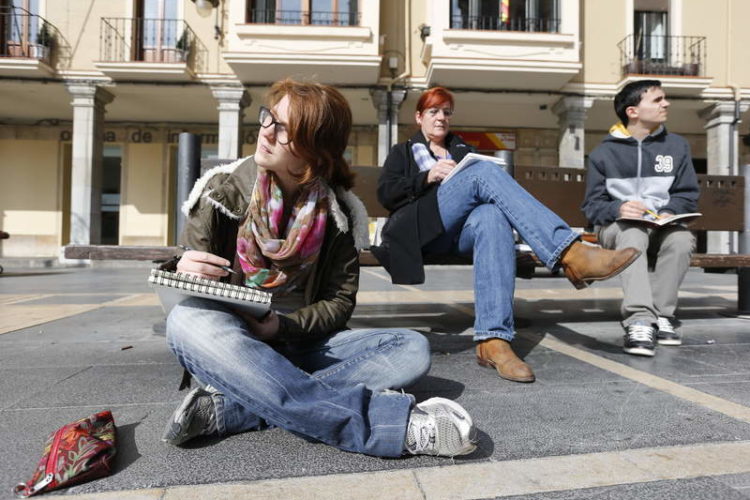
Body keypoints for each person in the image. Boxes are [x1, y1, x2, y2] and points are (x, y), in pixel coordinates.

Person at [161, 79, 477, 458]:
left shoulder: (340, 215)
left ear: (316, 148)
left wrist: (283, 325)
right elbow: (192, 288)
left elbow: (339, 302)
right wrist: (181, 267)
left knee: (411, 348)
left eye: (285, 129)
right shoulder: (218, 192)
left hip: (302, 342)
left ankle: (237, 409)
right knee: (186, 321)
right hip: (237, 345)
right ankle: (388, 425)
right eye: (269, 119)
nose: (267, 133)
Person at [372, 87, 641, 384]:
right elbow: (387, 194)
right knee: (482, 173)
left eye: (447, 112)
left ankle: (493, 341)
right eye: (434, 112)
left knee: (491, 216)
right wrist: (428, 176)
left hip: (457, 234)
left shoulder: (461, 149)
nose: (441, 118)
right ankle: (570, 253)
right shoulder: (403, 152)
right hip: (419, 230)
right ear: (419, 116)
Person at [582, 79, 699, 357]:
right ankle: (639, 320)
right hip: (616, 230)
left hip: (661, 228)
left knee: (682, 239)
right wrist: (618, 209)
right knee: (633, 234)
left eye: (664, 99)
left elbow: (686, 193)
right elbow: (592, 206)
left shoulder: (677, 146)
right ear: (633, 111)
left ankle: (661, 316)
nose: (665, 104)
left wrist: (671, 211)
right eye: (657, 100)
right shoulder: (603, 153)